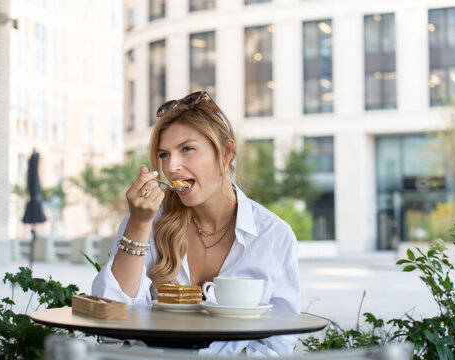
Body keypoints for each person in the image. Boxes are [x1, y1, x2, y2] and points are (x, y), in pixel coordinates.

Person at [92, 91, 300, 357]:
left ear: (225, 153)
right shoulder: (146, 221)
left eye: (187, 149)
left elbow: (281, 341)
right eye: (164, 154)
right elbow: (110, 315)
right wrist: (138, 224)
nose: (172, 166)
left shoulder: (273, 235)